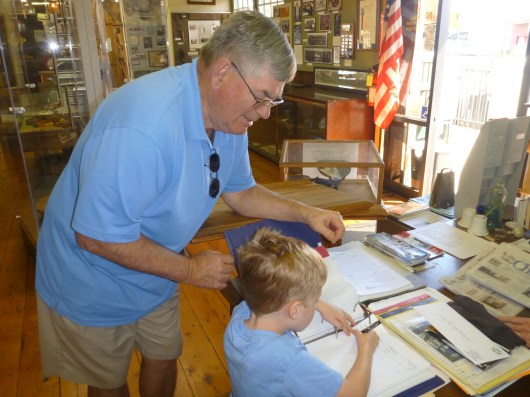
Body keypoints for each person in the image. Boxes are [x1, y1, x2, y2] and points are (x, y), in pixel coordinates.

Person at [35, 11, 346, 397]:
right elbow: (96, 237)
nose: (265, 113)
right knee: (108, 379)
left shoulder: (230, 118)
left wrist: (307, 212)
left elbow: (241, 192)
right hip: (91, 277)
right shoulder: (142, 127)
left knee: (164, 354)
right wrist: (189, 269)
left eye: (274, 101)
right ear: (222, 74)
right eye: (263, 97)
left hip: (156, 264)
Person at [224, 228, 380, 397]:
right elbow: (353, 394)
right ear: (295, 310)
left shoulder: (241, 313)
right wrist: (366, 349)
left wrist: (320, 304)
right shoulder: (287, 360)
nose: (316, 304)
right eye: (314, 301)